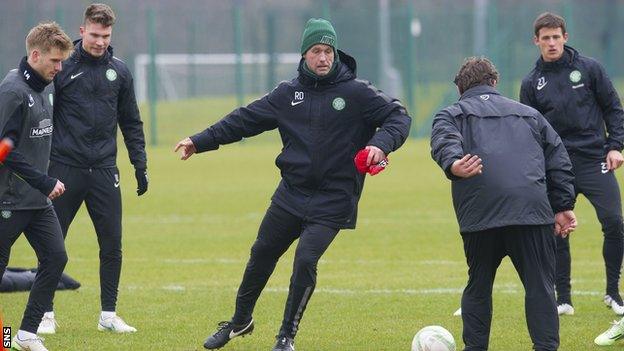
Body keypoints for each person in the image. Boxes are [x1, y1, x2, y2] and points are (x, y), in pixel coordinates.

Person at [175, 18, 411, 351]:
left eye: (328, 50)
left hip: (334, 198)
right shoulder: (288, 94)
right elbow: (243, 120)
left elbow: (398, 116)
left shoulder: (356, 92)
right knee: (261, 253)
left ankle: (286, 337)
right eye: (316, 50)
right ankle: (240, 321)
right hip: (291, 194)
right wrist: (199, 141)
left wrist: (380, 144)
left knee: (305, 260)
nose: (324, 58)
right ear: (305, 54)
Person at [431, 57, 577, 351]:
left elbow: (444, 142)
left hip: (481, 213)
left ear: (460, 88)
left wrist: (454, 163)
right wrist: (562, 205)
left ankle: (475, 348)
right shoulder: (530, 115)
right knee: (540, 286)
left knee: (479, 283)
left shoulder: (450, 114)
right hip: (532, 212)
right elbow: (558, 159)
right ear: (494, 83)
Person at [38, 3, 148, 334]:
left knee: (112, 244)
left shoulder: (121, 72)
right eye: (95, 34)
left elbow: (131, 122)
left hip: (103, 171)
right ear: (83, 30)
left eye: (106, 36)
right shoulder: (63, 69)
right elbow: (45, 120)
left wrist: (139, 164)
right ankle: (45, 312)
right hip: (64, 169)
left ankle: (108, 315)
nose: (100, 42)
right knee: (53, 245)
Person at [520, 12, 624, 316]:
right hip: (558, 166)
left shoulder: (589, 69)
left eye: (556, 37)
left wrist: (615, 146)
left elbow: (614, 109)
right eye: (545, 38)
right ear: (536, 41)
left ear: (565, 37)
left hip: (594, 160)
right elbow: (529, 130)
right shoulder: (531, 83)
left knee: (615, 223)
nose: (551, 43)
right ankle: (563, 298)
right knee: (559, 229)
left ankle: (613, 293)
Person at [0, 21, 73, 351]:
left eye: (61, 62)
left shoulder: (45, 86)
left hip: (37, 201)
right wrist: (43, 181)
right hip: (8, 200)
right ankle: (3, 339)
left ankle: (27, 333)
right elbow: (5, 150)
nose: (59, 68)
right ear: (35, 54)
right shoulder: (13, 91)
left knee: (56, 258)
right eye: (54, 61)